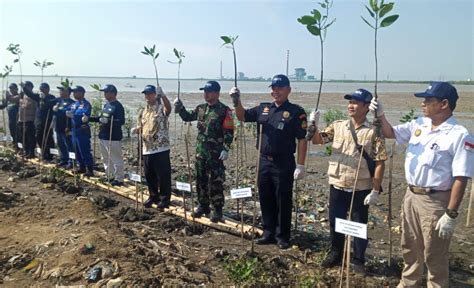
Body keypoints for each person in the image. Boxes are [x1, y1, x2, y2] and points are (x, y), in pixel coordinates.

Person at [371, 81, 473, 287]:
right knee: (409, 246)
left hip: (435, 201)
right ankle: (409, 283)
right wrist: (380, 115)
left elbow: (461, 177)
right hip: (411, 196)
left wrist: (451, 214)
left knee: (434, 253)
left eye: (428, 100)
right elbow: (390, 133)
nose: (423, 104)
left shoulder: (459, 135)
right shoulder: (419, 124)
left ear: (444, 104)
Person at [309, 88, 386, 272]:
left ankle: (359, 259)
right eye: (349, 102)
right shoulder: (338, 126)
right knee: (335, 221)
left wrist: (375, 190)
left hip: (361, 187)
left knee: (359, 224)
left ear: (367, 107)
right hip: (338, 183)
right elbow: (318, 140)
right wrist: (313, 125)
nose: (351, 106)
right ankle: (335, 252)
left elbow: (380, 161)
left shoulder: (373, 132)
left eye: (356, 102)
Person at [233, 74, 307, 249]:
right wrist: (236, 101)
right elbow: (242, 116)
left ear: (289, 90)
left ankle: (282, 236)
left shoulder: (296, 112)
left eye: (280, 88)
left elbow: (302, 139)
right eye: (273, 88)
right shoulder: (263, 108)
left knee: (283, 198)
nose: (276, 91)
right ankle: (268, 232)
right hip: (264, 161)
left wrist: (301, 165)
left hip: (284, 162)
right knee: (265, 196)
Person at [174, 80, 234, 223]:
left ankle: (217, 209)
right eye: (204, 91)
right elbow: (188, 117)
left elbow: (229, 132)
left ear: (217, 93)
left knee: (216, 181)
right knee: (200, 180)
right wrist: (180, 107)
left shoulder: (225, 111)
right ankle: (203, 206)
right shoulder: (201, 108)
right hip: (201, 152)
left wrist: (226, 148)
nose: (205, 94)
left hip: (216, 154)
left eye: (208, 91)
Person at [132, 85, 172, 208]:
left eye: (150, 94)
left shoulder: (160, 108)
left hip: (161, 148)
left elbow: (169, 109)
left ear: (155, 95)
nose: (147, 96)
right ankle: (153, 196)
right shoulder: (143, 111)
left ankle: (165, 198)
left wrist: (163, 95)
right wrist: (137, 130)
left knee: (163, 175)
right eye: (146, 94)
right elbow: (142, 126)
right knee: (149, 174)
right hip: (147, 148)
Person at [89, 84, 125, 186]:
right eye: (104, 92)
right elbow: (100, 118)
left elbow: (121, 121)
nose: (105, 94)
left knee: (116, 158)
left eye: (106, 92)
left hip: (113, 137)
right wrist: (89, 118)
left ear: (113, 93)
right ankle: (109, 176)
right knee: (105, 158)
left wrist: (108, 121)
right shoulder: (106, 105)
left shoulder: (118, 106)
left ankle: (119, 179)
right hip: (103, 135)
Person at [23, 82, 57, 161]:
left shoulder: (52, 97)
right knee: (39, 137)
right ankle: (44, 153)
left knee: (48, 138)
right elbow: (30, 94)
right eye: (40, 89)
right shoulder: (38, 97)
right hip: (38, 121)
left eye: (43, 89)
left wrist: (45, 98)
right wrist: (24, 87)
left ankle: (50, 156)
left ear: (48, 89)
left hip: (47, 121)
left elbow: (50, 104)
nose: (42, 90)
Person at [66, 85, 94, 177]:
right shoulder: (74, 104)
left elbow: (85, 114)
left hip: (82, 130)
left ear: (81, 93)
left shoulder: (86, 104)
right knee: (76, 150)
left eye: (75, 92)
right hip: (74, 130)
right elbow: (67, 110)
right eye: (73, 92)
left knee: (84, 149)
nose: (73, 94)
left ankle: (89, 169)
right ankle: (81, 166)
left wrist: (78, 116)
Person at [52, 85, 75, 168]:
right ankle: (63, 160)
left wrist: (61, 111)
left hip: (67, 127)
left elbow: (70, 113)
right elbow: (48, 103)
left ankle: (71, 161)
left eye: (62, 90)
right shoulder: (58, 100)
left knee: (69, 145)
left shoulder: (72, 102)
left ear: (67, 92)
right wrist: (54, 109)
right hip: (58, 126)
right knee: (60, 144)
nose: (60, 92)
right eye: (60, 90)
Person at [17, 81, 37, 158]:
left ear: (30, 87)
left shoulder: (33, 96)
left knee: (30, 137)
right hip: (22, 119)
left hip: (29, 120)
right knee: (24, 137)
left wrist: (21, 101)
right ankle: (26, 151)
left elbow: (29, 106)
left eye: (25, 86)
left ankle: (31, 152)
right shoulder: (23, 95)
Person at [0, 83, 20, 147]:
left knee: (18, 135)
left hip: (17, 120)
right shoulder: (8, 98)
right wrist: (3, 99)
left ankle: (19, 148)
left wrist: (8, 96)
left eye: (13, 88)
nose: (11, 90)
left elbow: (14, 99)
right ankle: (15, 146)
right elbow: (2, 106)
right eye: (10, 88)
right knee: (12, 134)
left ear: (16, 89)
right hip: (11, 119)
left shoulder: (18, 97)